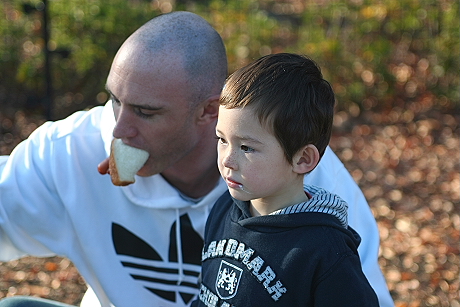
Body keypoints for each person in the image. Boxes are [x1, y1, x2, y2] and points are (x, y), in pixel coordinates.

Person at [0, 11, 393, 307]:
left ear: (209, 111)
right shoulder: (73, 151)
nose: (119, 130)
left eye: (146, 111)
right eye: (115, 100)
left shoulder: (305, 184)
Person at [192, 53, 379, 306]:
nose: (227, 159)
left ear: (303, 159)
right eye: (222, 140)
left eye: (246, 147)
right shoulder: (223, 208)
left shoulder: (325, 252)